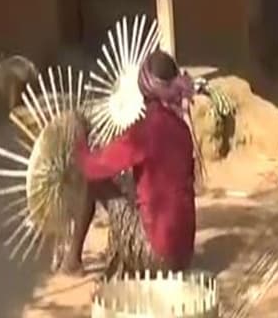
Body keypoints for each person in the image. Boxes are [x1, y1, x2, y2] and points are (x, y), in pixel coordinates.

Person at [63, 50, 197, 275]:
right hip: (184, 255)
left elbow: (91, 167)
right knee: (131, 182)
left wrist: (80, 140)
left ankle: (72, 260)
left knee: (94, 182)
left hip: (157, 258)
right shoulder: (183, 129)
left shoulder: (144, 132)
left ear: (144, 90)